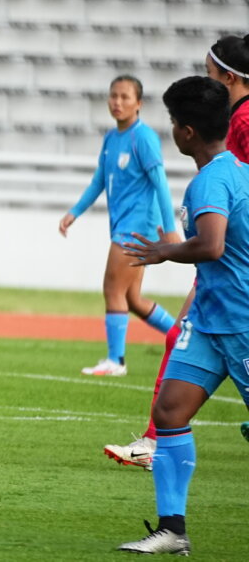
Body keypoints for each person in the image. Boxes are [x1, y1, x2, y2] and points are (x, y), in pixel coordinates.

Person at [117, 75, 249, 555]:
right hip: (211, 325)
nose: (171, 129)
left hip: (241, 323)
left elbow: (212, 245)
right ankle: (172, 530)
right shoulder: (234, 168)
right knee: (169, 412)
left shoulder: (211, 180)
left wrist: (165, 253)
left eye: (174, 121)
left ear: (187, 131)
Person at [59, 75, 179, 378]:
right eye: (113, 96)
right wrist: (75, 211)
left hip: (137, 227)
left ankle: (116, 360)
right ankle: (182, 339)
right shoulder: (112, 139)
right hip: (124, 225)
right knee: (132, 299)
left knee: (112, 288)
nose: (117, 102)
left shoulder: (144, 138)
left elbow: (160, 184)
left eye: (125, 97)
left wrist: (170, 228)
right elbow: (99, 180)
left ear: (138, 103)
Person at [205, 33, 249, 163]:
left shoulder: (244, 119)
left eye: (209, 72)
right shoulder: (238, 114)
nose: (207, 80)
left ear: (229, 78)